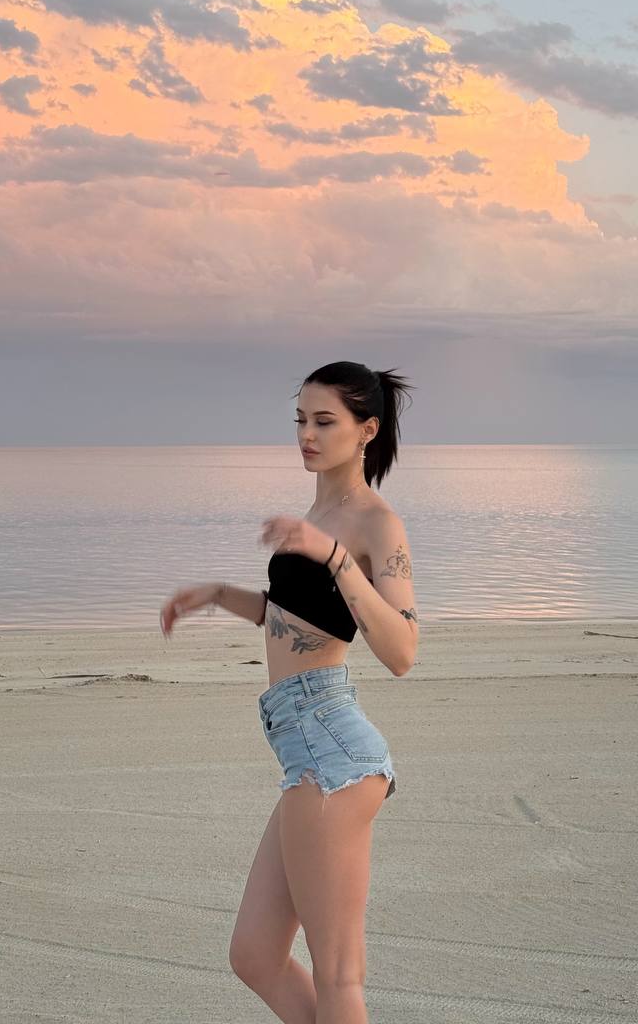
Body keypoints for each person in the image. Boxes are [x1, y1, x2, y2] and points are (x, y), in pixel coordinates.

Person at [159, 360, 418, 1024]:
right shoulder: (319, 513)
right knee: (255, 955)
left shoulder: (375, 523)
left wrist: (334, 556)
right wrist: (219, 595)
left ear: (367, 431)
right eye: (300, 419)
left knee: (338, 976)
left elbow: (401, 651)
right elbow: (301, 619)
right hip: (302, 746)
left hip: (334, 751)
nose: (306, 434)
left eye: (324, 422)